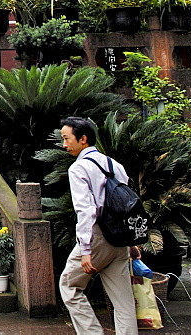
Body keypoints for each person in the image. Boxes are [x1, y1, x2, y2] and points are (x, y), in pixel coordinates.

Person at [58, 116, 137, 335]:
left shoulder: (79, 169)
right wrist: (131, 243)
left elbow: (85, 211)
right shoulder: (115, 165)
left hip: (97, 237)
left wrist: (85, 250)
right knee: (124, 301)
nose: (64, 145)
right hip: (120, 238)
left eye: (66, 139)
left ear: (83, 139)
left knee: (69, 286)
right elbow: (128, 203)